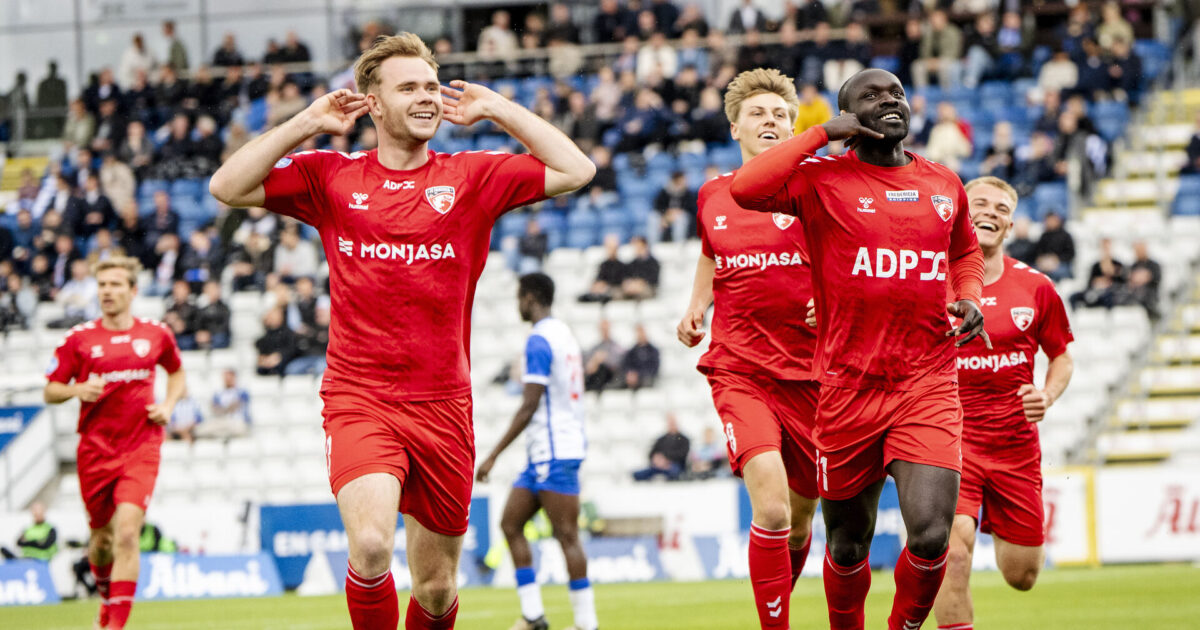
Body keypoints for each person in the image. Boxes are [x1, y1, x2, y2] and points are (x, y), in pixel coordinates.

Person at [208, 32, 593, 629]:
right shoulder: (331, 176)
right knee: (369, 545)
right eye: (408, 88)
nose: (427, 98)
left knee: (436, 589)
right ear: (374, 104)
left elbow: (577, 168)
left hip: (443, 405)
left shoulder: (471, 176)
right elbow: (226, 187)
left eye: (431, 86)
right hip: (359, 396)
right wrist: (306, 122)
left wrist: (496, 108)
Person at [730, 68, 987, 630]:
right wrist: (822, 133)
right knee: (848, 545)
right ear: (848, 116)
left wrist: (969, 295)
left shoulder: (944, 183)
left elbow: (965, 253)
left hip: (926, 382)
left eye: (897, 93)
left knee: (931, 535)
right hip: (847, 387)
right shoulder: (821, 179)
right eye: (871, 96)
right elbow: (745, 188)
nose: (889, 101)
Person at [677, 67, 821, 629]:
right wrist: (697, 305)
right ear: (735, 128)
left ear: (793, 128)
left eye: (781, 114)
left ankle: (778, 597)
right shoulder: (713, 193)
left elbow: (856, 259)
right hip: (741, 371)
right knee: (773, 507)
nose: (770, 121)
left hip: (814, 376)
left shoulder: (821, 188)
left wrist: (835, 301)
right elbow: (711, 253)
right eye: (758, 113)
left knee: (801, 522)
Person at [933, 177, 1074, 630]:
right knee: (952, 548)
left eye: (1001, 208)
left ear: (1011, 225)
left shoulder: (1036, 287)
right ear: (960, 214)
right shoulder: (931, 281)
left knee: (1022, 575)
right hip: (950, 441)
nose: (989, 212)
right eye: (979, 203)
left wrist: (1046, 395)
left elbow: (1061, 356)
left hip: (1015, 447)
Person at [43, 256, 185, 630]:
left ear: (133, 290)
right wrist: (76, 389)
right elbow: (50, 390)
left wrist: (168, 406)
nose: (107, 291)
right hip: (95, 451)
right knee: (102, 540)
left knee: (126, 533)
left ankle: (115, 625)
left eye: (115, 284)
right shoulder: (79, 339)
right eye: (102, 285)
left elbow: (176, 373)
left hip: (141, 447)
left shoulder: (156, 334)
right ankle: (106, 601)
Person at [475, 273, 597, 630]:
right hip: (548, 450)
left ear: (530, 297)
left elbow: (529, 404)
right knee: (510, 524)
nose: (518, 304)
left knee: (567, 535)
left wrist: (494, 454)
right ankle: (533, 617)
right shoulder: (565, 335)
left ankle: (587, 624)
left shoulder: (540, 340)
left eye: (519, 297)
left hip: (555, 450)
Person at [632, 413, 690, 481]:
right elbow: (652, 453)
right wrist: (657, 459)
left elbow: (682, 454)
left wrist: (666, 460)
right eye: (670, 423)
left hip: (675, 466)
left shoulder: (683, 439)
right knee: (637, 474)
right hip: (659, 466)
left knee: (674, 472)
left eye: (673, 423)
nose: (671, 425)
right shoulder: (662, 439)